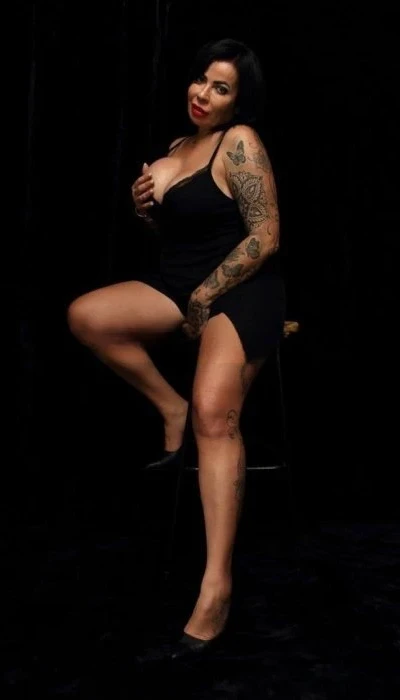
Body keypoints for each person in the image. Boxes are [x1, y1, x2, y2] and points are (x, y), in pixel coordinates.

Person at [68, 37, 285, 663]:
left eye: (221, 87)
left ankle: (216, 587)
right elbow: (181, 228)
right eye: (200, 80)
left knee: (216, 413)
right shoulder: (176, 146)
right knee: (88, 316)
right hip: (179, 282)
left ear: (239, 100)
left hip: (241, 287)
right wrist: (146, 211)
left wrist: (206, 296)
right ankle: (170, 409)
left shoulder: (239, 141)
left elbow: (266, 235)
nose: (203, 94)